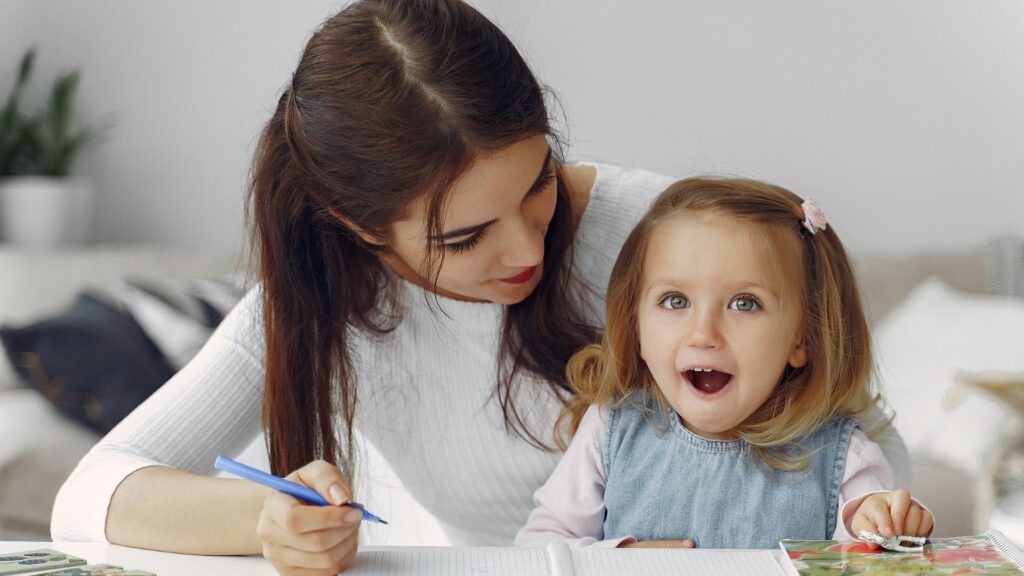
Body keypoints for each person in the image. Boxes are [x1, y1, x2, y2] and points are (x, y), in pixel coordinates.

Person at [50, 2, 909, 574]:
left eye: (538, 182)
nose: (527, 244)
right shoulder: (321, 298)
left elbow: (849, 434)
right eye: (464, 237)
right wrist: (267, 523)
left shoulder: (673, 242)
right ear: (357, 227)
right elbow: (89, 495)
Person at [516, 178, 933, 549]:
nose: (704, 334)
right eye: (675, 301)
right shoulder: (611, 431)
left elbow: (875, 550)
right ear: (636, 327)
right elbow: (538, 547)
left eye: (744, 303)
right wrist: (617, 562)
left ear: (801, 338)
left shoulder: (844, 459)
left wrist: (886, 526)